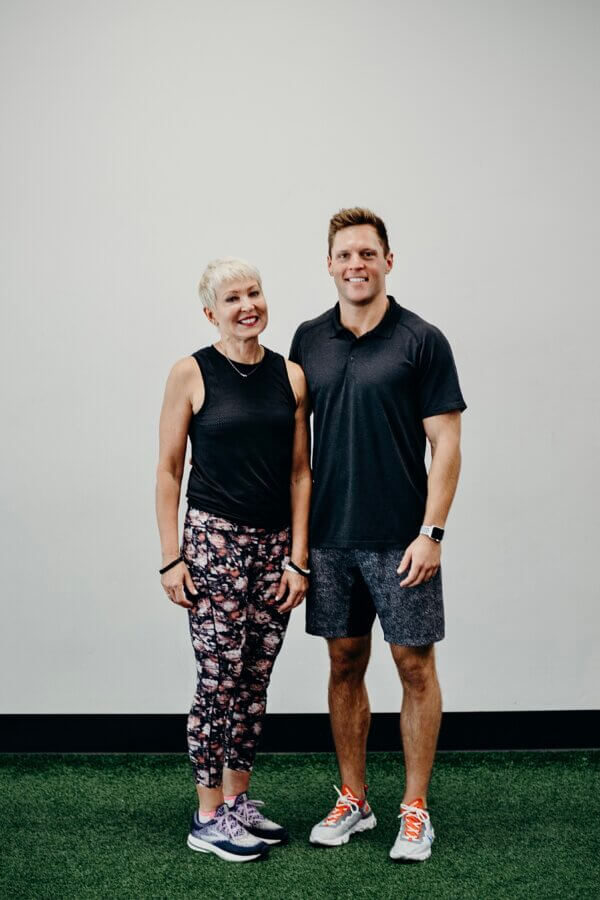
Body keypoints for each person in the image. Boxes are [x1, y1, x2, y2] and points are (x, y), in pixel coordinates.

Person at [289, 208, 466, 862]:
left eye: (368, 253)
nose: (356, 265)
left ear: (388, 261)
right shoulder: (307, 341)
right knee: (343, 662)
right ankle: (353, 798)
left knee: (413, 665)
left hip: (402, 539)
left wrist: (433, 531)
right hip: (331, 540)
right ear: (330, 264)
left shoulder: (421, 340)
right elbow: (297, 453)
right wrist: (299, 547)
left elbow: (446, 444)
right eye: (344, 255)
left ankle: (414, 808)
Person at [156, 258, 311, 863]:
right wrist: (172, 559)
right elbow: (170, 470)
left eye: (254, 293)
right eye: (232, 298)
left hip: (274, 547)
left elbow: (301, 473)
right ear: (210, 312)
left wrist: (297, 560)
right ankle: (208, 814)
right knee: (219, 681)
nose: (247, 305)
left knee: (253, 681)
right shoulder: (190, 373)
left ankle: (239, 801)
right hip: (213, 540)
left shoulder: (291, 377)